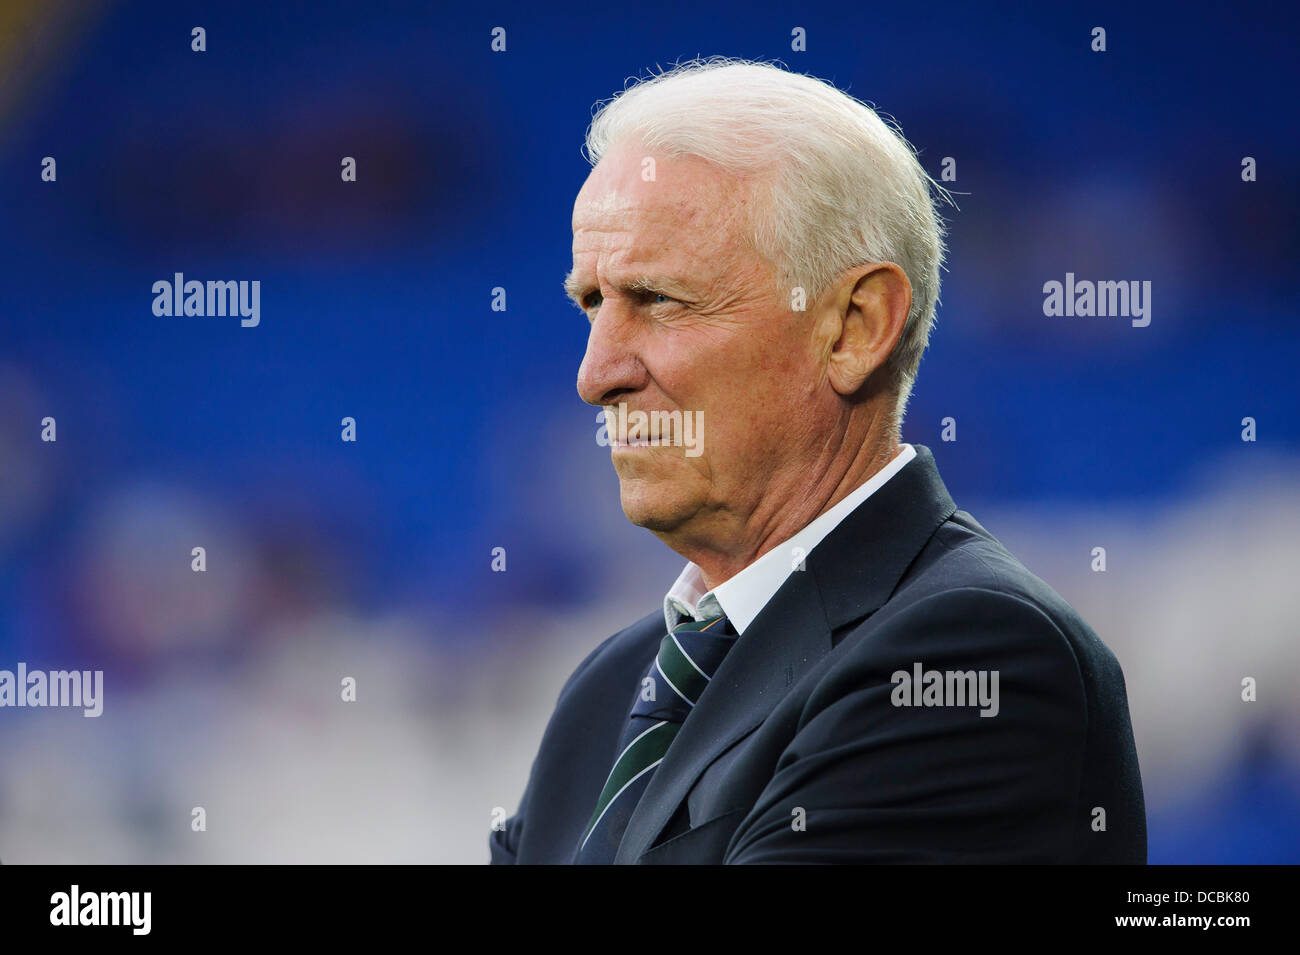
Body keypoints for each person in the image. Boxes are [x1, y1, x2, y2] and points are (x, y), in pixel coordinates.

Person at [491, 57, 1145, 864]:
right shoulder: (609, 689)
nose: (595, 376)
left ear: (854, 327)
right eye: (593, 303)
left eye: (658, 299)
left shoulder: (970, 658)